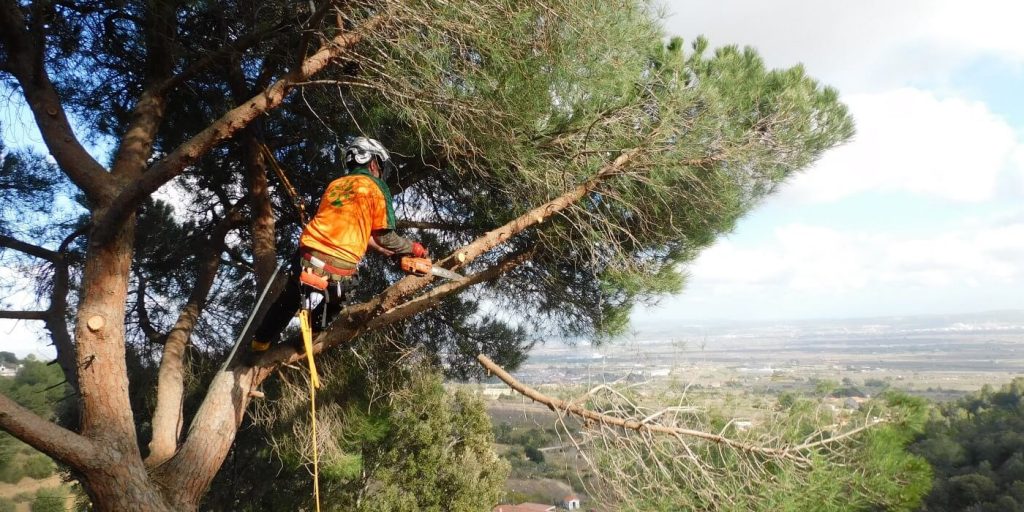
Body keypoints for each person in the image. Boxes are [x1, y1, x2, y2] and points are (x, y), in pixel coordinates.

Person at [249, 137, 427, 354]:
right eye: (380, 166)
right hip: (339, 268)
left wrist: (385, 252)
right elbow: (385, 237)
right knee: (337, 297)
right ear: (372, 163)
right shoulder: (376, 187)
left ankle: (260, 343)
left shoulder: (336, 185)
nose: (380, 172)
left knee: (289, 298)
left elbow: (361, 235)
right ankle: (311, 335)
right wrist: (414, 249)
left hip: (307, 255)